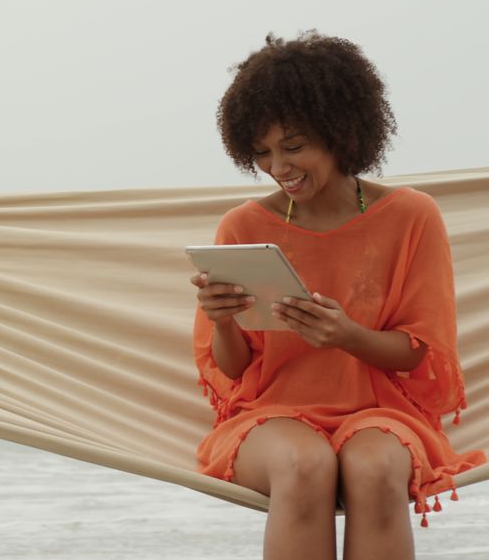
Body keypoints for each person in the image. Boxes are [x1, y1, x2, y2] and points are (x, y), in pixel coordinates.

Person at [189, 31, 487, 560]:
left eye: (294, 146)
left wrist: (348, 336)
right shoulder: (242, 227)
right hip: (270, 414)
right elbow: (233, 372)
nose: (279, 167)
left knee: (375, 471)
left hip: (383, 410)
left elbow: (421, 352)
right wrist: (222, 322)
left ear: (339, 131)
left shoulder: (412, 216)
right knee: (304, 467)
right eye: (262, 152)